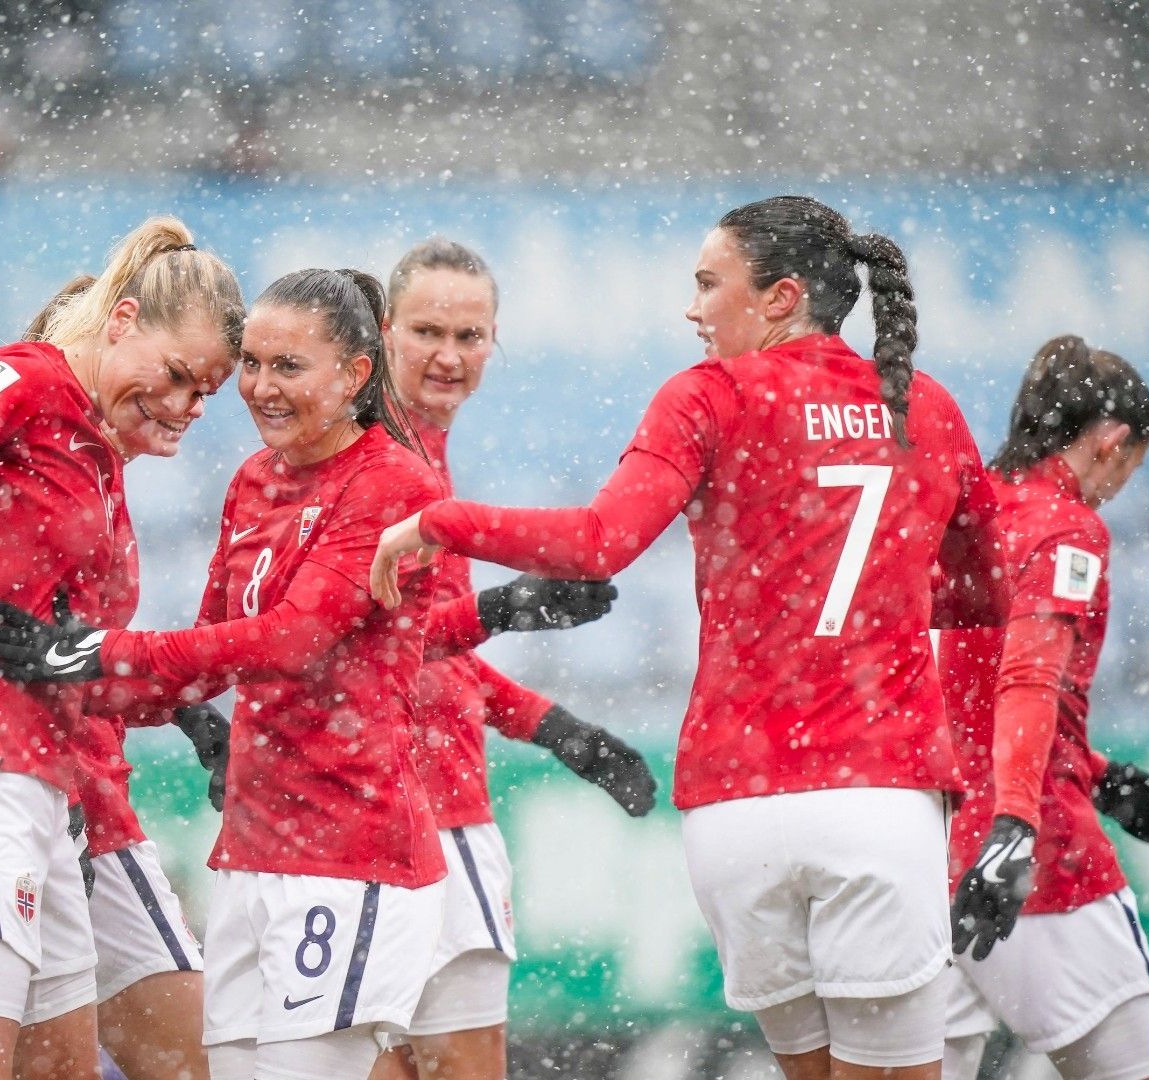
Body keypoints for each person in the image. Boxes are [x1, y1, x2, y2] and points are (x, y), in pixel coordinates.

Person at [372, 195, 1005, 1080]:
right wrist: (883, 599)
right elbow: (985, 591)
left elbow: (600, 541)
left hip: (739, 802)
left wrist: (448, 524)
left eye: (709, 284)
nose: (693, 307)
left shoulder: (707, 395)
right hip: (878, 790)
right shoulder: (924, 406)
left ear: (781, 296)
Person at [0, 268, 452, 1080]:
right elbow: (203, 655)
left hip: (349, 853)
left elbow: (291, 639)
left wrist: (97, 651)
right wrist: (64, 677)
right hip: (249, 852)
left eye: (289, 367)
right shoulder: (254, 481)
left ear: (355, 374)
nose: (262, 387)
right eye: (253, 364)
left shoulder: (395, 483)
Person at [0, 217, 244, 1080]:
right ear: (120, 322)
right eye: (177, 376)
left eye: (204, 393)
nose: (187, 406)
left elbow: (66, 647)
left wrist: (182, 709)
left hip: (46, 781)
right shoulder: (32, 385)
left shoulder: (98, 459)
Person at [364, 238, 654, 1080]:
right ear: (384, 332)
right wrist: (505, 609)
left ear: (496, 341)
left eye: (470, 336)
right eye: (427, 332)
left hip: (388, 806)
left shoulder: (413, 453)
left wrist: (559, 730)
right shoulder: (387, 464)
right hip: (422, 810)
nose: (449, 356)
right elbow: (364, 645)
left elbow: (425, 656)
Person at [939, 337, 1149, 1080]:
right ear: (1112, 442)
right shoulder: (1066, 528)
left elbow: (960, 692)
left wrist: (1098, 772)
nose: (1119, 486)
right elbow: (1027, 681)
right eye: (1130, 465)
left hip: (929, 854)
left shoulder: (967, 515)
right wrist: (1015, 826)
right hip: (1032, 858)